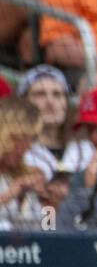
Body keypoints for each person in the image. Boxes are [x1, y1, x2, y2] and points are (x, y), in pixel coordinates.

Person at [0, 98, 44, 230]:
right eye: (20, 139)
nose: (27, 146)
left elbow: (48, 230)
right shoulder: (17, 184)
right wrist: (11, 193)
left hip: (24, 249)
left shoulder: (27, 175)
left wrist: (50, 204)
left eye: (31, 139)